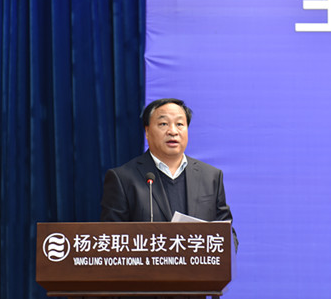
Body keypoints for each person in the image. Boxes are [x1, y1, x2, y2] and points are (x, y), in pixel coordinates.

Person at [100, 98, 236, 247]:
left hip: (197, 262)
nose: (173, 131)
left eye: (180, 124)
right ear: (147, 131)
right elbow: (112, 239)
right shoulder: (123, 178)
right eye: (163, 124)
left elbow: (227, 233)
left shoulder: (210, 177)